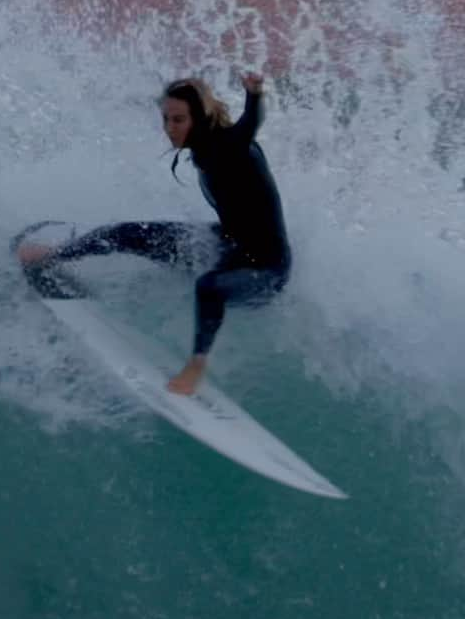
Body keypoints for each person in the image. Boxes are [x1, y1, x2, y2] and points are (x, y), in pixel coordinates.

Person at [17, 72, 291, 395]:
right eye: (165, 119)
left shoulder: (228, 145)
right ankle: (55, 255)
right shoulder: (203, 146)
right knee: (129, 233)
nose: (169, 128)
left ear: (199, 117)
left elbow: (249, 125)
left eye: (178, 120)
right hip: (227, 244)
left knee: (209, 287)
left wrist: (254, 94)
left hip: (266, 269)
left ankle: (196, 366)